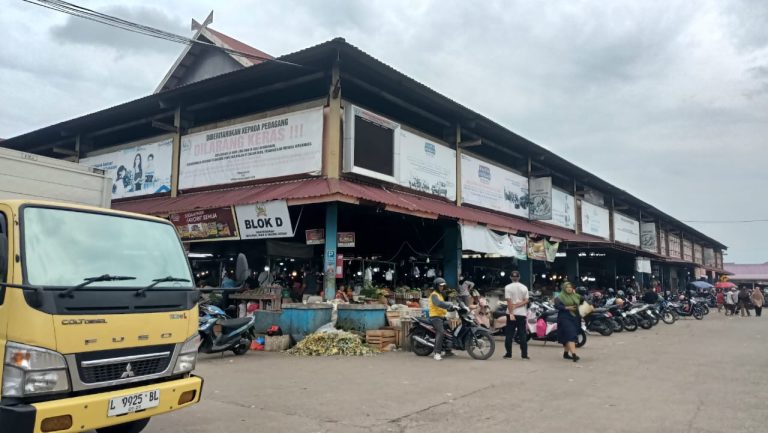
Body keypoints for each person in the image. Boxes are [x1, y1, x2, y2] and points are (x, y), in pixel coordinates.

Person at [503, 270, 530, 360]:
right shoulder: (524, 287)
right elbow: (526, 300)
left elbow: (509, 301)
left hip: (511, 313)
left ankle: (508, 354)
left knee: (509, 334)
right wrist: (518, 305)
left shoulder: (508, 287)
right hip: (522, 313)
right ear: (519, 278)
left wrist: (511, 312)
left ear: (510, 277)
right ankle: (524, 355)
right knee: (522, 334)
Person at [429, 277, 455, 361]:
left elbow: (443, 305)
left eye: (443, 286)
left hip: (442, 317)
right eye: (440, 286)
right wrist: (449, 304)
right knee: (441, 332)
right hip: (435, 317)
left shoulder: (440, 294)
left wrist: (453, 307)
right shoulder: (434, 295)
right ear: (436, 286)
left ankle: (448, 350)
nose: (442, 287)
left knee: (449, 332)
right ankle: (437, 353)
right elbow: (439, 303)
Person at [555, 281, 582, 362]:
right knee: (571, 335)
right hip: (564, 317)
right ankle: (574, 354)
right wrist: (567, 308)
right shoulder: (559, 297)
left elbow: (584, 301)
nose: (569, 289)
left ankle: (566, 354)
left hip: (575, 317)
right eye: (567, 287)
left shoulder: (576, 296)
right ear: (564, 288)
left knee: (569, 336)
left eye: (570, 287)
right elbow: (557, 306)